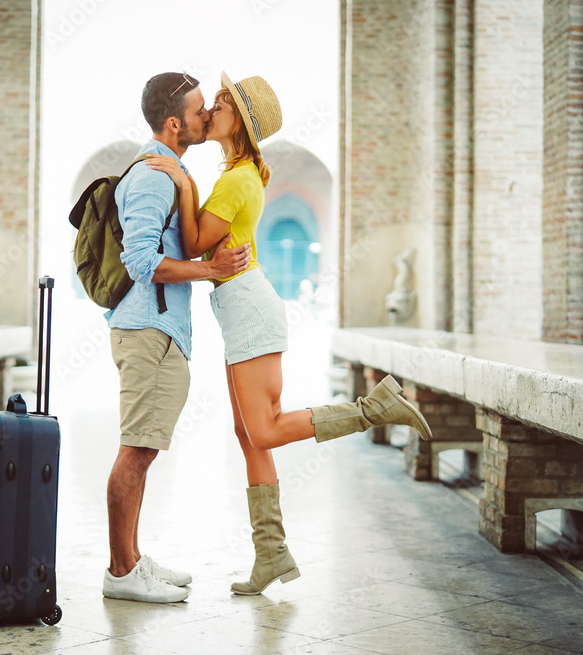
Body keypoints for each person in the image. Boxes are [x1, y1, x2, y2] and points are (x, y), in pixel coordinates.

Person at [146, 72, 434, 596]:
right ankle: (272, 555)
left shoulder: (234, 180)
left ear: (241, 122)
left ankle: (377, 408)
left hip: (249, 310)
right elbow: (205, 249)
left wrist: (183, 182)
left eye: (220, 105)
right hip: (240, 310)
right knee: (248, 434)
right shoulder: (238, 173)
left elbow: (189, 245)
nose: (209, 110)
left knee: (268, 429)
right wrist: (188, 181)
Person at [101, 72, 253, 604]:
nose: (205, 117)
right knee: (135, 452)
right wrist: (209, 270)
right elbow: (142, 262)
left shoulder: (174, 172)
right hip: (147, 329)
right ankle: (121, 572)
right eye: (196, 112)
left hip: (159, 330)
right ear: (173, 123)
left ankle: (132, 560)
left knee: (142, 450)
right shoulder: (153, 177)